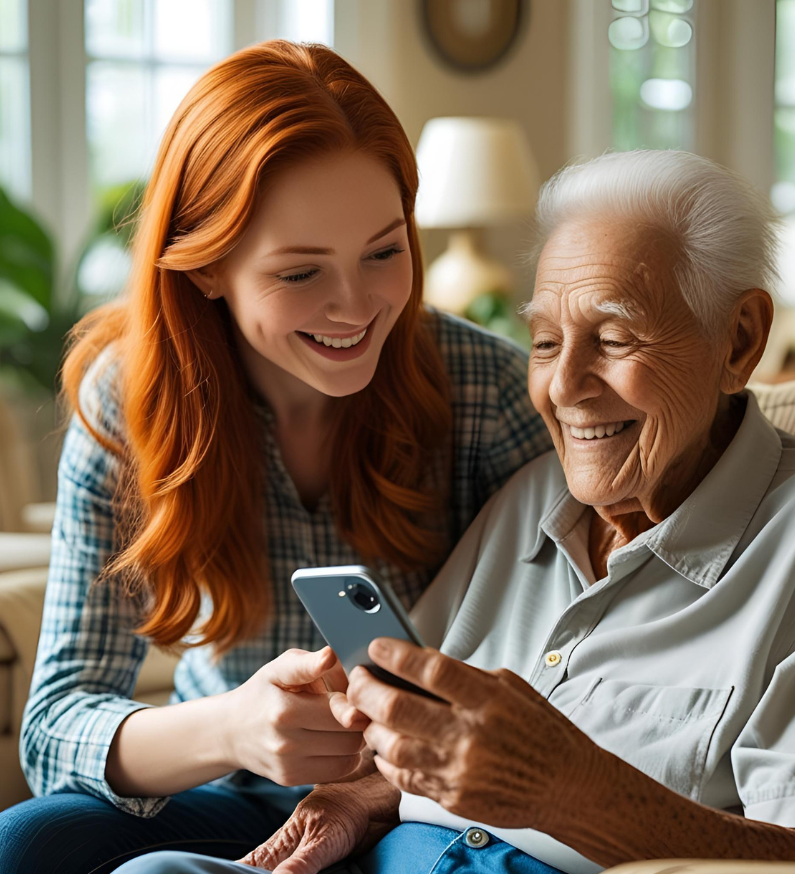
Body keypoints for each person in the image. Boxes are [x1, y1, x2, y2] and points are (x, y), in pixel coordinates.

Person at [117, 150, 795, 874]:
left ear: (738, 339)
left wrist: (570, 792)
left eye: (612, 338)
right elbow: (417, 743)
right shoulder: (530, 497)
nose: (565, 387)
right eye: (545, 342)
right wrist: (354, 798)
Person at [0, 41, 552, 874]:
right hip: (229, 786)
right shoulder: (132, 400)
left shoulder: (487, 388)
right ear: (209, 266)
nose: (356, 306)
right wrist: (234, 727)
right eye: (300, 272)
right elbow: (53, 726)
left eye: (383, 251)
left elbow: (570, 658)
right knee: (27, 843)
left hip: (419, 804)